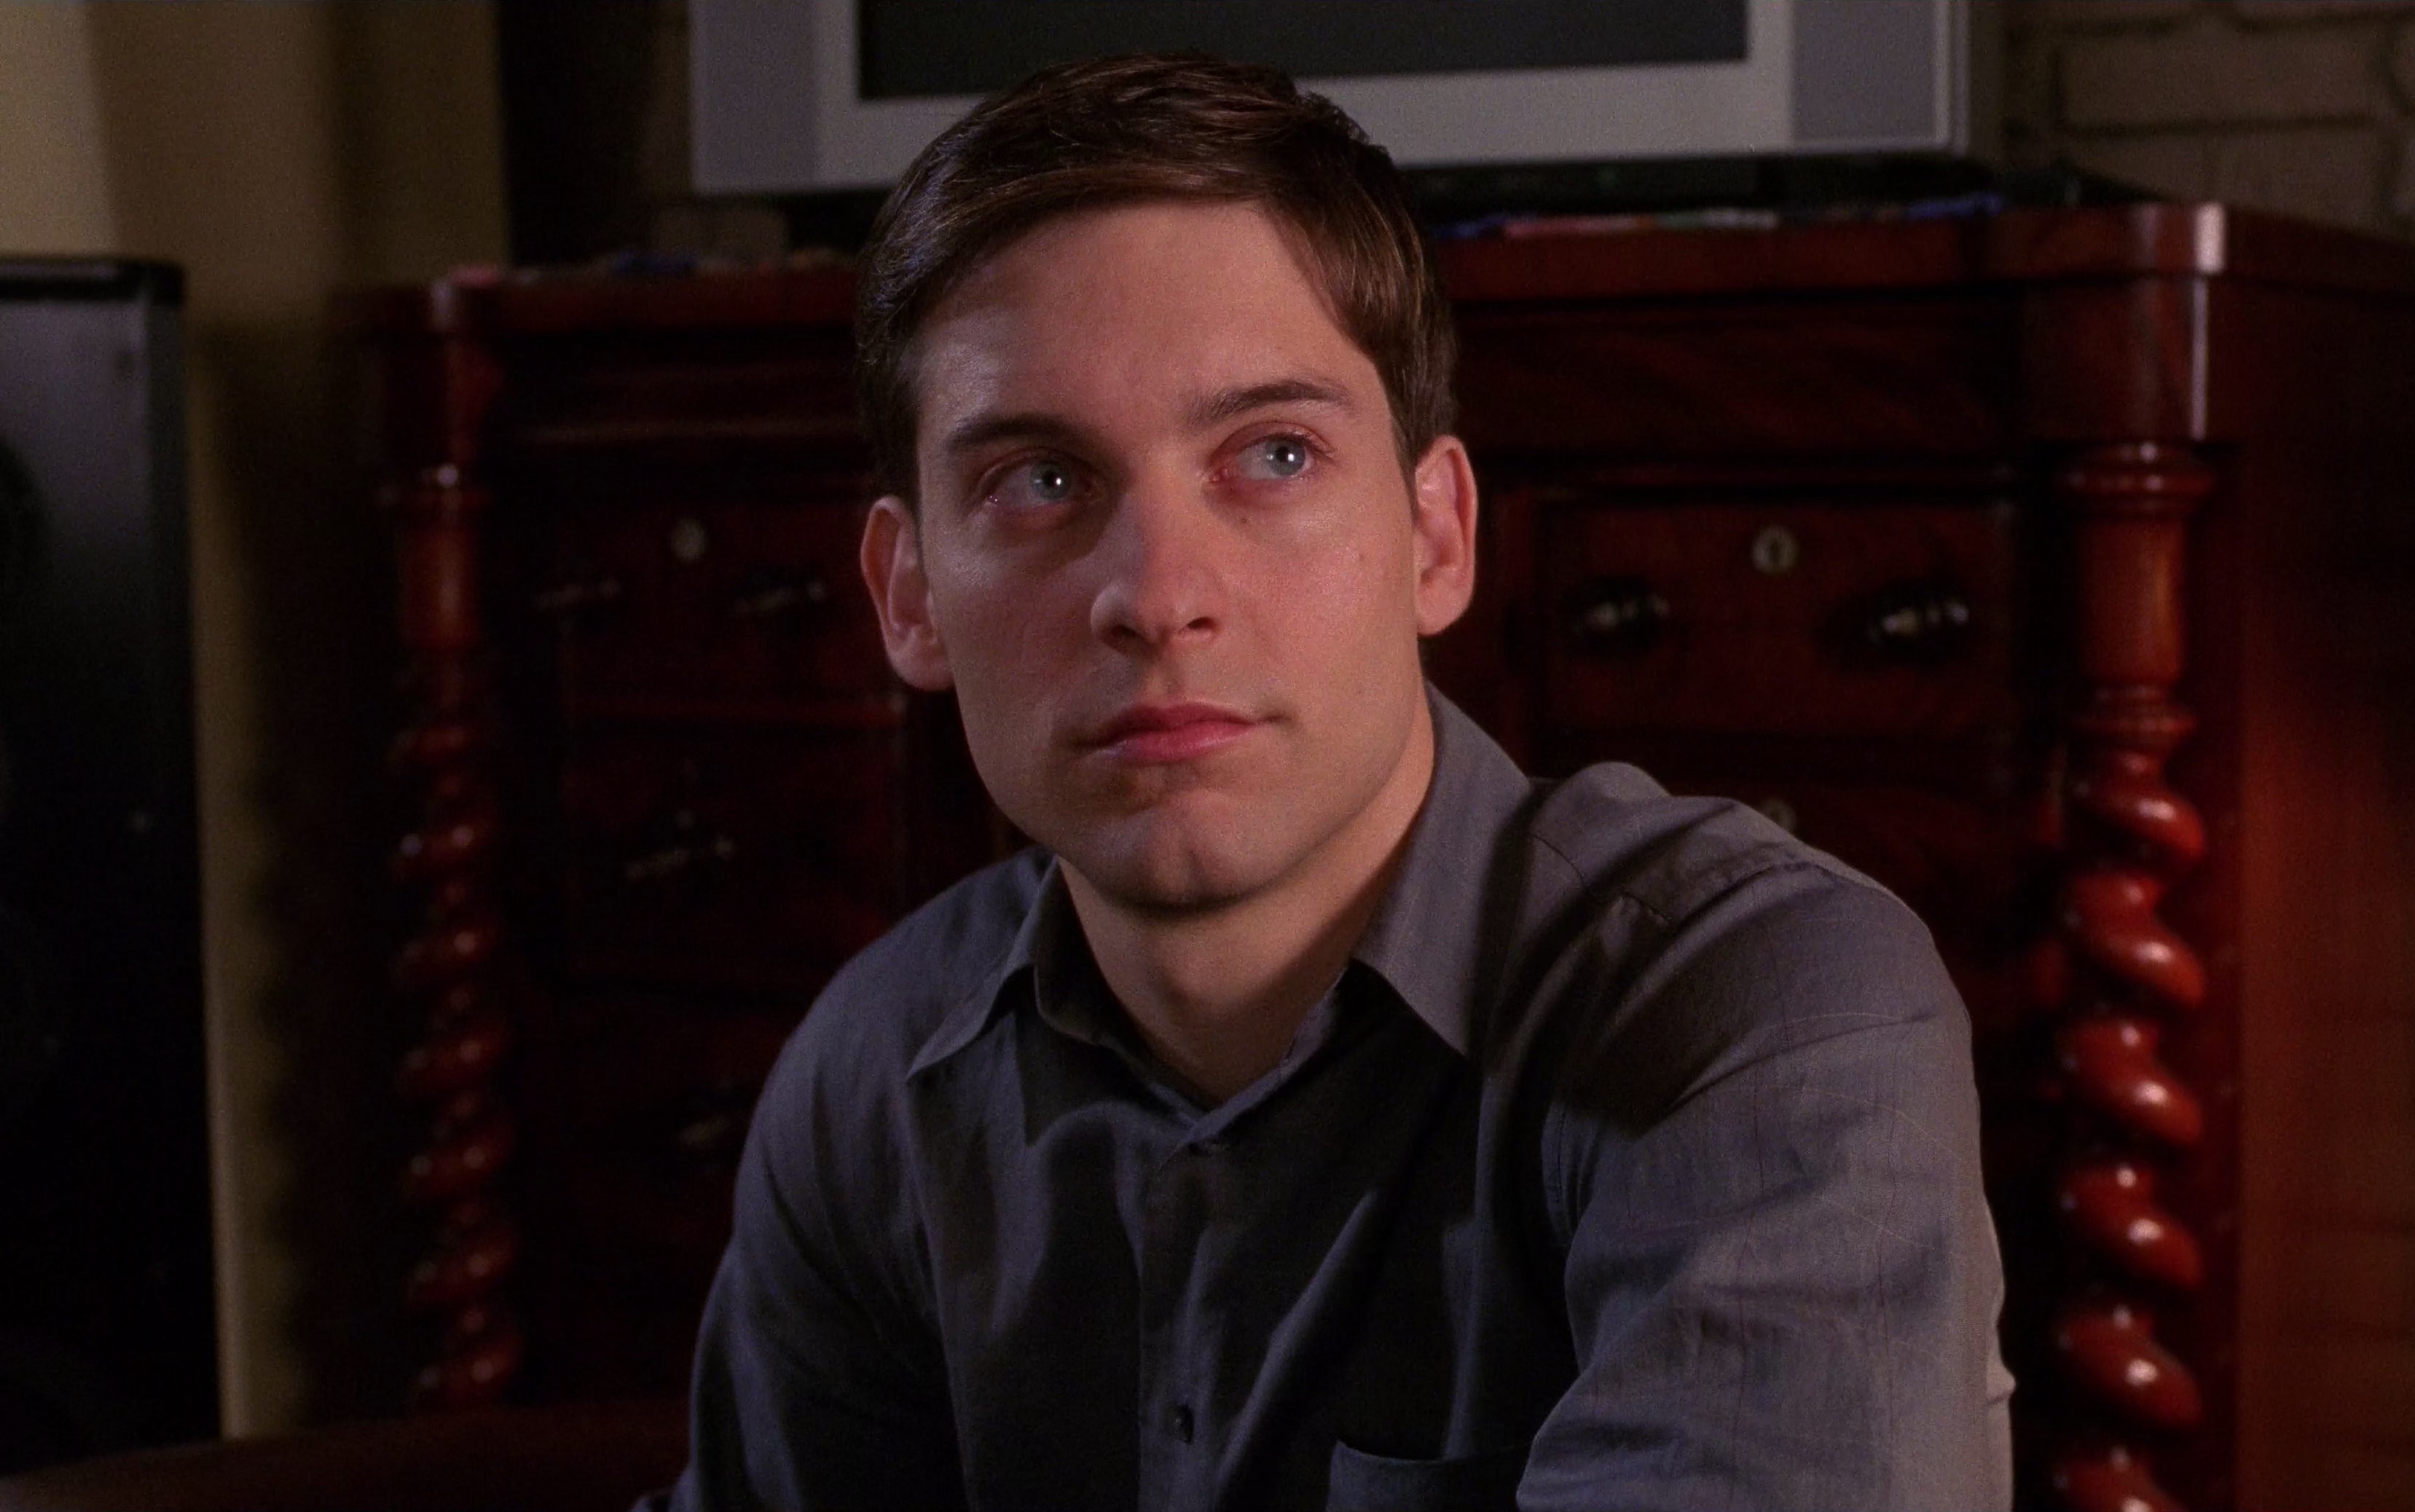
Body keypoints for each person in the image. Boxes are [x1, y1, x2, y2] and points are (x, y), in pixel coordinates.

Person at [648, 51, 2010, 1512]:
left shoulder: (1762, 1009)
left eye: (1275, 455)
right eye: (1040, 480)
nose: (1158, 596)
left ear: (1436, 537)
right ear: (911, 597)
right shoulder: (879, 1073)